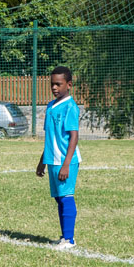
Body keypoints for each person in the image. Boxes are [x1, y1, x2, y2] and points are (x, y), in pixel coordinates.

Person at [35, 66, 81, 250]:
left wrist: (66, 164)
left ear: (69, 85)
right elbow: (49, 137)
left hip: (65, 161)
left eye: (58, 84)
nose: (54, 87)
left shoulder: (70, 106)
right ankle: (64, 237)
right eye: (52, 84)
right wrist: (42, 162)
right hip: (52, 160)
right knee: (59, 198)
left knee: (66, 197)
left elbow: (74, 136)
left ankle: (69, 240)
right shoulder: (50, 106)